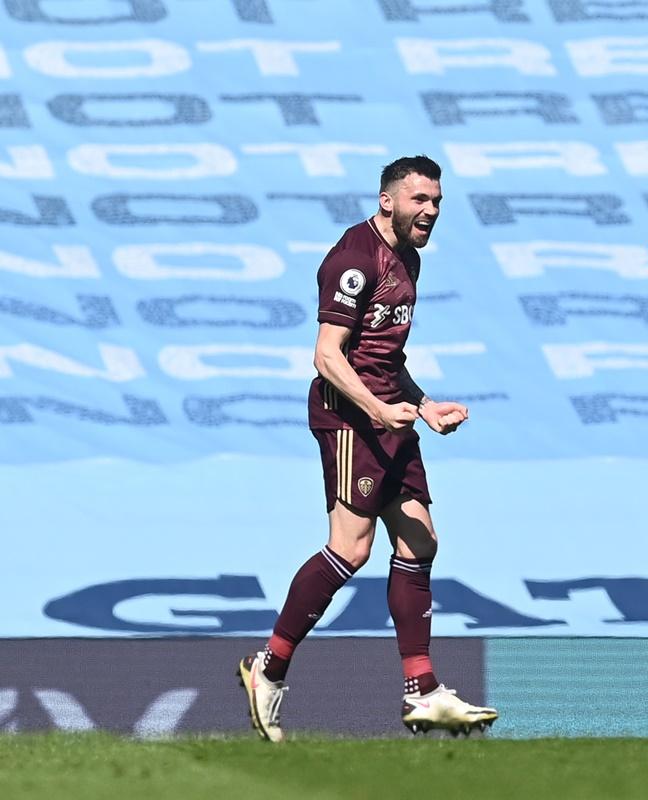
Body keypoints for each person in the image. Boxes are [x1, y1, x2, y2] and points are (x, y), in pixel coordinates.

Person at [238, 156, 498, 742]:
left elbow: (385, 355)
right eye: (419, 201)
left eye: (437, 201)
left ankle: (422, 691)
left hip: (391, 414)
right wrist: (378, 411)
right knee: (350, 549)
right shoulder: (354, 258)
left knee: (421, 538)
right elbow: (327, 355)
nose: (430, 211)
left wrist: (423, 405)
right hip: (351, 419)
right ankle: (269, 671)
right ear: (388, 201)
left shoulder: (408, 257)